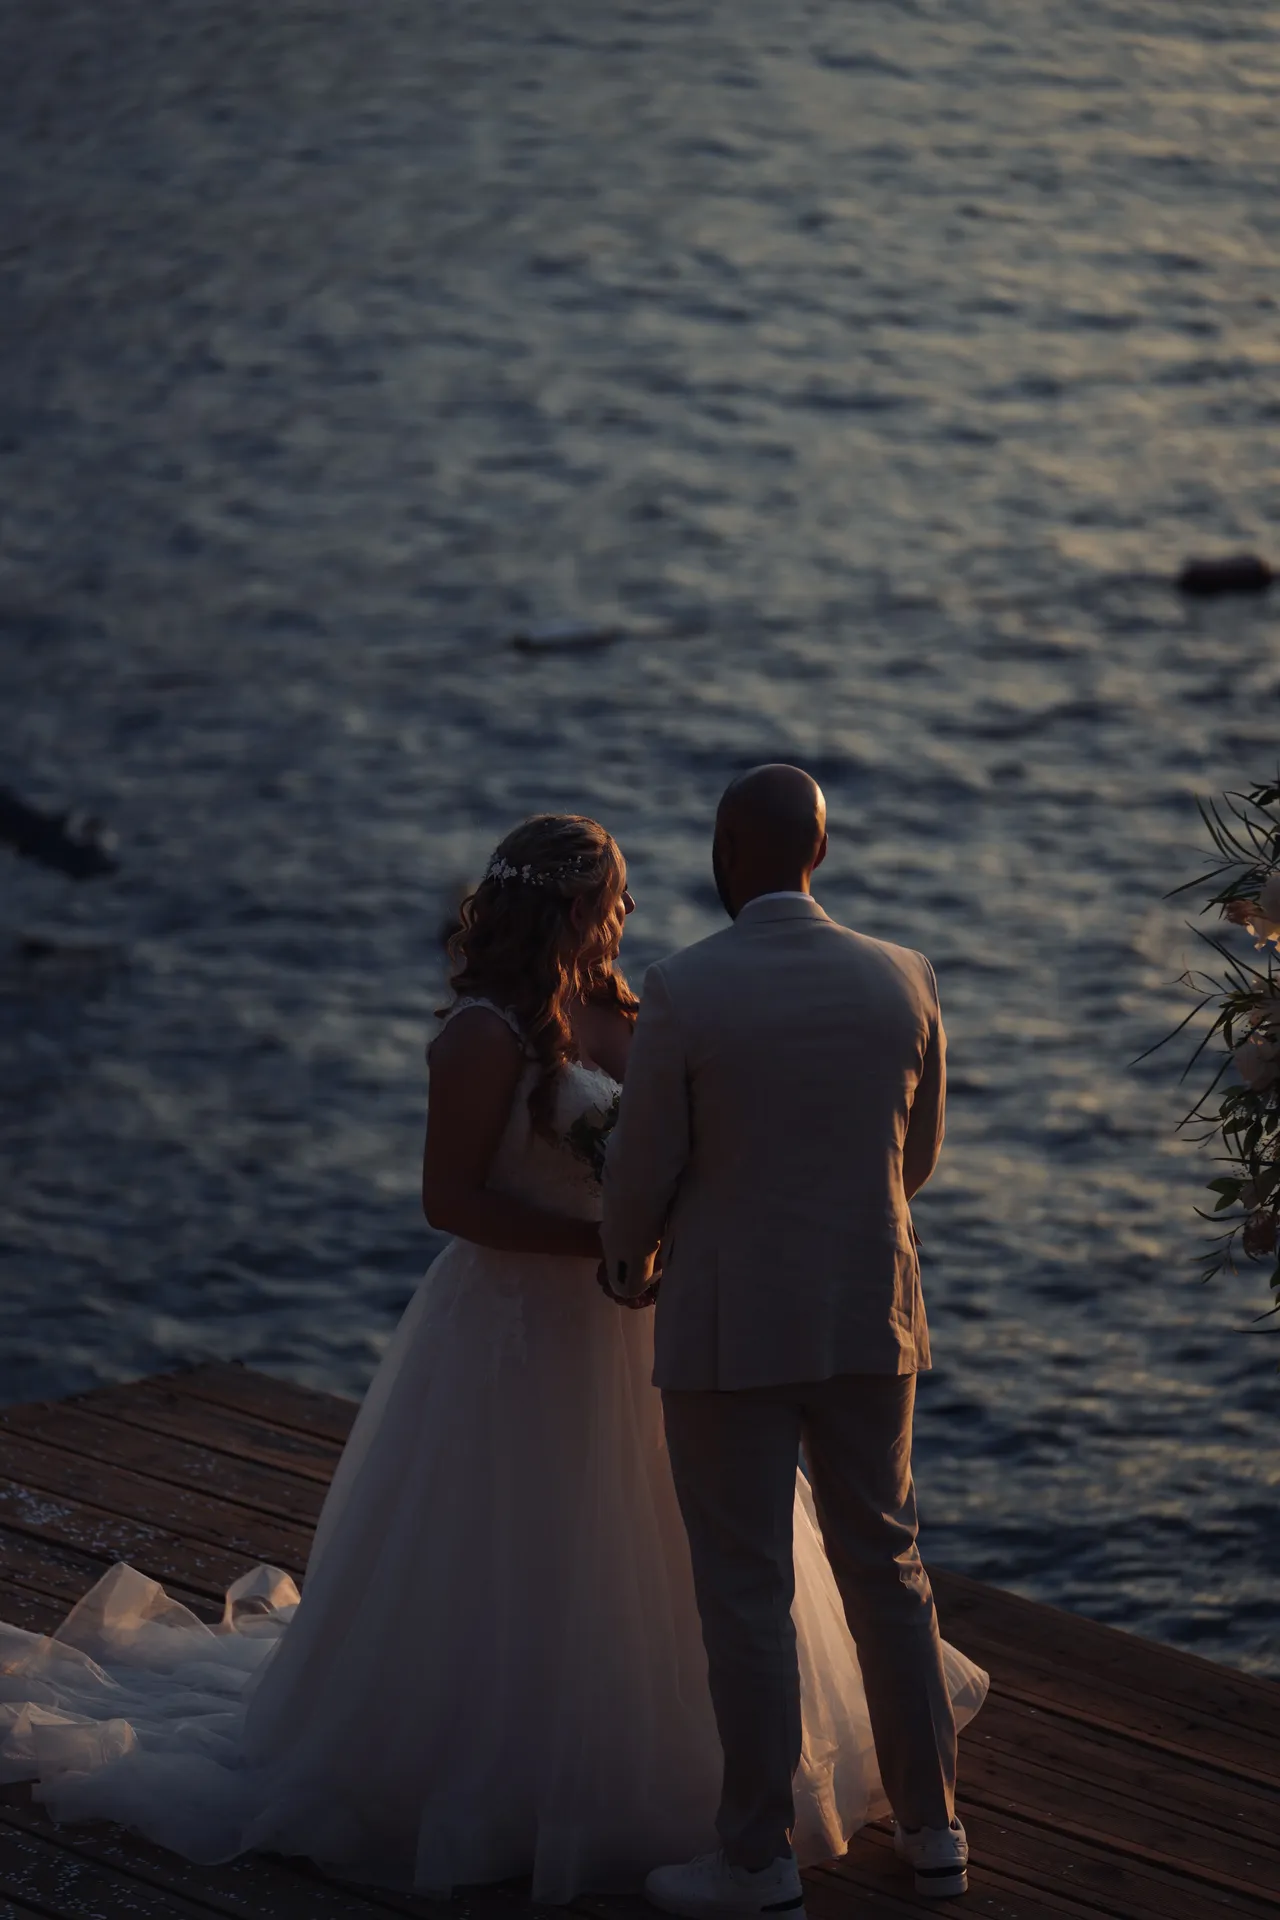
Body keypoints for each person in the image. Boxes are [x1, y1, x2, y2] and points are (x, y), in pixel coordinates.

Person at [0, 812, 985, 1906]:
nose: (629, 912)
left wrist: (661, 1240)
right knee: (528, 1544)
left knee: (681, 1557)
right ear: (567, 908)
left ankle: (719, 1794)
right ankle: (524, 1778)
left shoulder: (639, 1008)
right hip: (521, 1326)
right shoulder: (484, 1035)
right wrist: (600, 1246)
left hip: (645, 1322)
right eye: (613, 896)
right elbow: (451, 1199)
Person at [602, 767, 971, 1911]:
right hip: (870, 1306)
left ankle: (756, 1858)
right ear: (821, 852)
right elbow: (915, 1162)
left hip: (730, 1326)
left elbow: (641, 1170)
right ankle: (934, 1831)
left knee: (746, 1588)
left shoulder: (684, 987)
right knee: (888, 1566)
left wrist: (625, 1262)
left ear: (725, 852)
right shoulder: (904, 977)